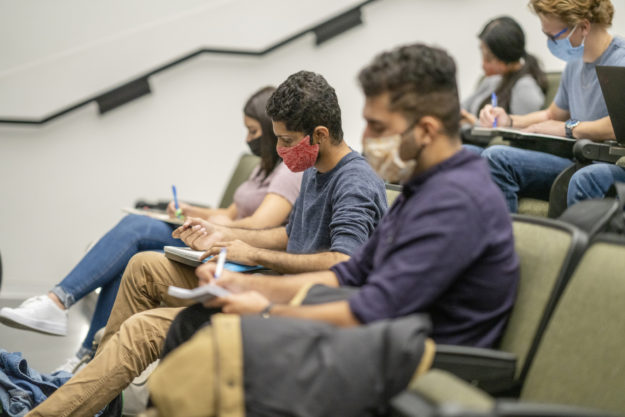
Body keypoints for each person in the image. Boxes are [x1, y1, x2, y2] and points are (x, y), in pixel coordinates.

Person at [26, 44, 519, 417]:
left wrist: (266, 304)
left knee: (175, 337)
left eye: (377, 125)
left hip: (401, 357)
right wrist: (245, 281)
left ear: (427, 130)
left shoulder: (455, 202)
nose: (367, 137)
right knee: (178, 310)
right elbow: (354, 275)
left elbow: (371, 302)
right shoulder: (425, 189)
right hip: (374, 336)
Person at [0, 86, 303, 372]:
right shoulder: (261, 168)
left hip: (232, 252)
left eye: (253, 131)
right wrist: (190, 211)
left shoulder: (287, 171)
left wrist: (210, 227)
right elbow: (230, 212)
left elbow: (256, 225)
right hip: (217, 235)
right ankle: (84, 356)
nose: (248, 139)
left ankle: (57, 302)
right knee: (131, 252)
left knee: (135, 228)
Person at [479, 0, 625, 211]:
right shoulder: (574, 64)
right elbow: (552, 114)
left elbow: (617, 126)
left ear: (583, 27)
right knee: (487, 156)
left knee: (496, 157)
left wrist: (568, 128)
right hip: (578, 159)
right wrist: (509, 120)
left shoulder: (621, 61)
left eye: (552, 36)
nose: (549, 43)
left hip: (606, 164)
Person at [462, 15, 547, 125]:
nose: (483, 65)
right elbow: (463, 108)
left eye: (489, 58)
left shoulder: (525, 88)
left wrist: (473, 123)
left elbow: (520, 135)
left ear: (506, 57)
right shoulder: (492, 80)